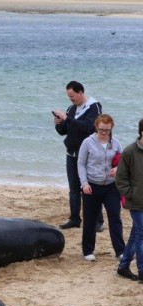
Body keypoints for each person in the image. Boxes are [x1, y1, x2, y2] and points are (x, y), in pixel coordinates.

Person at [54, 81, 104, 232]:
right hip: (72, 153)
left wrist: (68, 119)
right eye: (69, 96)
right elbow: (64, 131)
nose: (71, 99)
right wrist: (58, 123)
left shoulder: (94, 106)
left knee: (90, 188)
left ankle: (98, 221)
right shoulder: (71, 108)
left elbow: (88, 128)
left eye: (72, 96)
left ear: (81, 92)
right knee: (74, 188)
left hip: (89, 155)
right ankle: (75, 219)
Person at [77, 114, 125, 262]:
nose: (104, 132)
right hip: (92, 186)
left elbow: (123, 162)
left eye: (107, 130)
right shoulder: (87, 142)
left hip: (111, 186)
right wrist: (84, 183)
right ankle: (88, 250)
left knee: (115, 217)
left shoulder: (116, 143)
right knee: (90, 219)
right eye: (101, 129)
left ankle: (120, 251)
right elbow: (81, 164)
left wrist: (118, 169)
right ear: (96, 126)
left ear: (111, 129)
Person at [116, 118, 143, 283]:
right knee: (141, 236)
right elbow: (120, 179)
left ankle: (123, 266)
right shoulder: (129, 152)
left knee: (136, 235)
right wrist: (132, 194)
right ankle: (142, 272)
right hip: (137, 202)